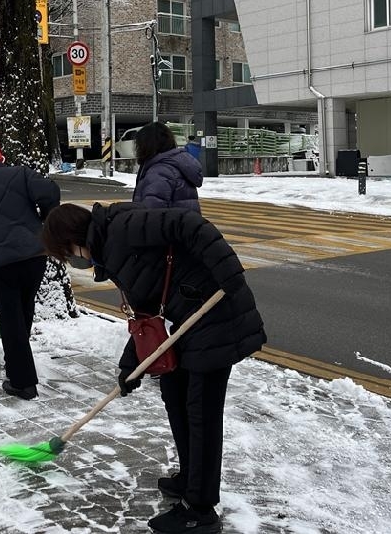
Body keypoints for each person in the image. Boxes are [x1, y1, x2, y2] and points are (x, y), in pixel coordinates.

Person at [41, 202, 266, 534]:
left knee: (201, 411)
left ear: (73, 239)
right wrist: (129, 366)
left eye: (68, 253)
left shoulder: (123, 228)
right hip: (186, 321)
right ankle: (191, 477)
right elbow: (147, 312)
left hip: (216, 313)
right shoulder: (108, 251)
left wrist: (228, 270)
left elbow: (189, 224)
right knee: (174, 395)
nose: (75, 261)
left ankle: (200, 509)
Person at [0, 137, 61, 400]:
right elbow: (50, 192)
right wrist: (44, 222)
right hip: (34, 256)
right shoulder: (21, 174)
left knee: (11, 320)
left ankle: (22, 382)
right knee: (24, 310)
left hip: (1, 264)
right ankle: (17, 363)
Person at [134, 123, 203, 212]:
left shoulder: (160, 172)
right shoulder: (177, 166)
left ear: (147, 145)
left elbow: (151, 214)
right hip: (185, 224)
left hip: (169, 225)